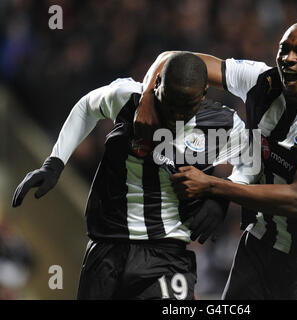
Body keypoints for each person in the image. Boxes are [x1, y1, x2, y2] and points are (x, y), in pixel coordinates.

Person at [135, 21, 297, 299]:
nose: (288, 59)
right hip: (260, 241)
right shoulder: (260, 80)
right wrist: (147, 98)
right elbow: (176, 60)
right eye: (284, 49)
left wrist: (214, 188)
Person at [11, 52, 248, 299]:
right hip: (107, 245)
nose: (176, 114)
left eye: (186, 106)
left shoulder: (224, 124)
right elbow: (87, 106)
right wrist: (55, 162)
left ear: (203, 96)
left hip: (166, 252)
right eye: (171, 101)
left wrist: (222, 196)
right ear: (156, 85)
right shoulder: (129, 98)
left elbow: (251, 164)